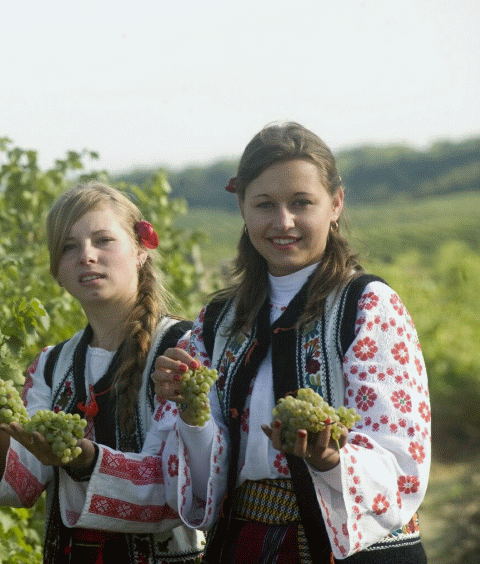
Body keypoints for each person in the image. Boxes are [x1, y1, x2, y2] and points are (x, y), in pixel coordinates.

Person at [153, 122, 430, 563]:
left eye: (302, 203)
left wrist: (331, 461)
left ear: (336, 203)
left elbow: (400, 453)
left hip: (355, 547)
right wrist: (191, 410)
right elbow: (208, 466)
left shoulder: (368, 306)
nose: (284, 222)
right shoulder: (217, 321)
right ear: (243, 207)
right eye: (265, 204)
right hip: (245, 543)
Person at [0, 182, 204, 563]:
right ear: (57, 270)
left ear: (140, 252)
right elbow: (18, 490)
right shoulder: (52, 365)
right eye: (69, 246)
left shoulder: (184, 349)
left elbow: (182, 488)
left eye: (103, 241)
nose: (86, 256)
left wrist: (86, 461)